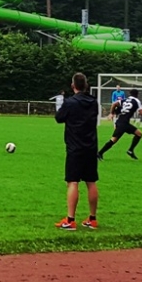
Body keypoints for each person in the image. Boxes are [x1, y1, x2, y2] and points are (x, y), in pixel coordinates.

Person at [54, 72, 101, 230]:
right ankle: (92, 218)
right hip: (91, 146)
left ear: (73, 85)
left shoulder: (70, 102)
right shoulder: (94, 102)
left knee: (72, 182)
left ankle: (70, 220)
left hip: (75, 147)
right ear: (86, 85)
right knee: (91, 181)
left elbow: (59, 118)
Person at [98, 88, 142, 160]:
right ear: (137, 95)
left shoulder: (124, 100)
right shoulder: (137, 101)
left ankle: (130, 150)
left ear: (130, 94)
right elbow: (141, 112)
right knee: (114, 139)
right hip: (123, 123)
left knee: (139, 134)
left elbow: (114, 104)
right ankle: (99, 153)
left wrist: (111, 113)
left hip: (121, 121)